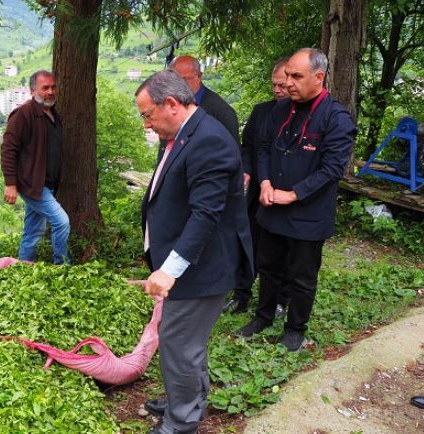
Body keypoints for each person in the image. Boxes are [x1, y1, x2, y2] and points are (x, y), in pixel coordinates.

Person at [136, 70, 253, 434]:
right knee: (187, 341)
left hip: (201, 267)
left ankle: (181, 421)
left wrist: (170, 269)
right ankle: (187, 399)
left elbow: (206, 215)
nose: (147, 123)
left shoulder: (209, 141)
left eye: (147, 114)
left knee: (178, 343)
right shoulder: (185, 133)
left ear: (171, 104)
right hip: (189, 263)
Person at [236, 48, 356, 352]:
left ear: (318, 77)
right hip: (271, 207)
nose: (288, 82)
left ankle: (295, 329)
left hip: (308, 214)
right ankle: (263, 317)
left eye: (296, 76)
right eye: (286, 75)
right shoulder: (280, 110)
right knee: (268, 266)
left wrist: (294, 193)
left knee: (302, 277)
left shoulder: (336, 118)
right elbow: (263, 147)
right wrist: (264, 181)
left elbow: (332, 169)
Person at [223, 58, 291, 315]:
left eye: (282, 85)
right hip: (256, 194)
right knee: (248, 242)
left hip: (284, 196)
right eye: (274, 85)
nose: (277, 90)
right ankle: (241, 295)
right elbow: (248, 146)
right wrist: (247, 170)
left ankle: (279, 300)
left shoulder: (302, 116)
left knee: (282, 250)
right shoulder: (261, 111)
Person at [0, 70, 70, 264]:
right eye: (45, 88)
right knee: (61, 221)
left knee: (33, 230)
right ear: (32, 91)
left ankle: (23, 268)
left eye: (53, 87)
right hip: (32, 184)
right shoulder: (23, 115)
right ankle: (62, 266)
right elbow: (8, 150)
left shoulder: (53, 114)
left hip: (48, 184)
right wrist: (10, 184)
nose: (50, 91)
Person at [170, 55, 239, 143]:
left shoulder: (222, 112)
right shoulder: (171, 105)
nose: (179, 84)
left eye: (185, 79)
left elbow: (232, 153)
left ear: (200, 77)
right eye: (175, 80)